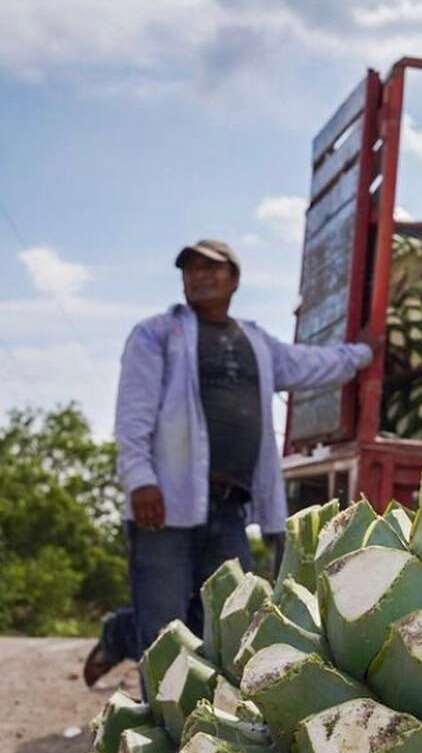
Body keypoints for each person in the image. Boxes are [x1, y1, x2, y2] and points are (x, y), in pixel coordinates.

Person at [84, 238, 374, 684]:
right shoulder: (157, 334)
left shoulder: (255, 341)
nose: (200, 275)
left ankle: (124, 638)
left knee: (228, 619)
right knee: (164, 628)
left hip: (229, 506)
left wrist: (364, 352)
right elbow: (132, 413)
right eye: (191, 268)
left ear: (234, 279)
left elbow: (309, 364)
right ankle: (162, 736)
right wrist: (140, 480)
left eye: (212, 267)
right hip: (166, 504)